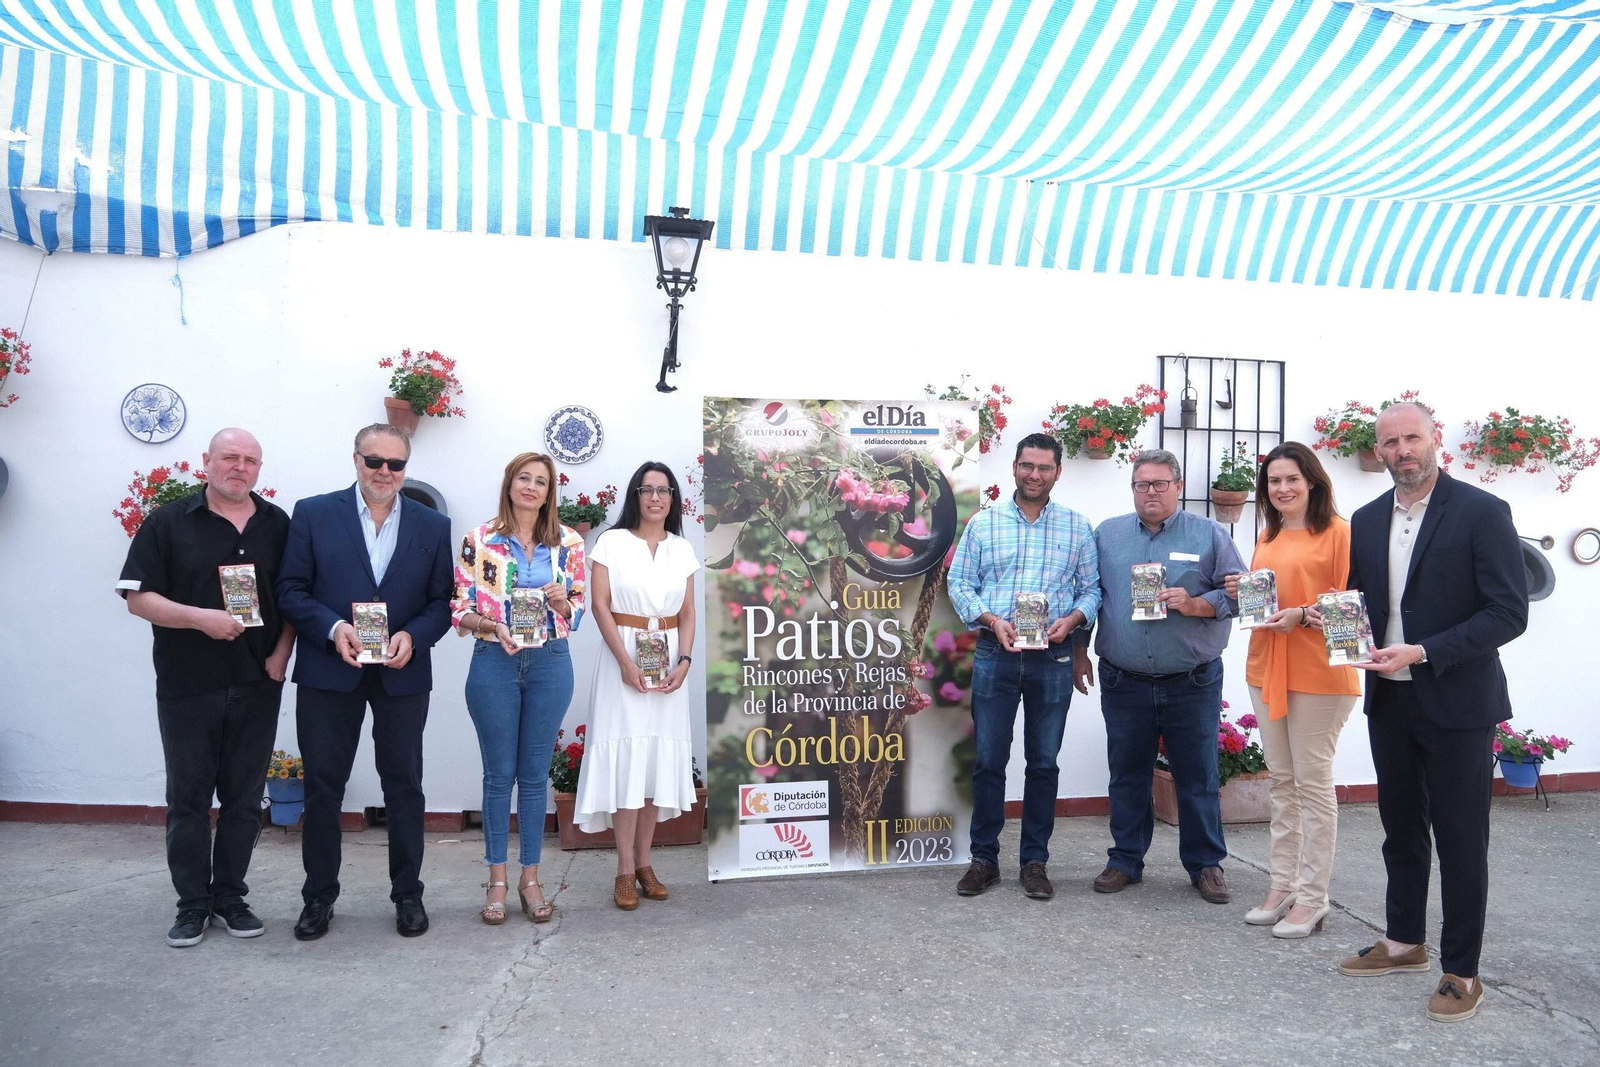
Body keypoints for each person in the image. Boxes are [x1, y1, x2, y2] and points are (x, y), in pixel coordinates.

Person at [1337, 402, 1527, 1024]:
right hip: (1390, 697)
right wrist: (1334, 621)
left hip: (1457, 700)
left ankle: (1462, 970)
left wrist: (1426, 651)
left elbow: (1507, 612)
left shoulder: (1481, 511)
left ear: (1435, 439)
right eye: (1389, 442)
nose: (1401, 450)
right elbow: (1365, 601)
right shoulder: (1366, 520)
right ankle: (1403, 941)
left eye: (1411, 437)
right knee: (1401, 828)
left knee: (1462, 837)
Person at [275, 424, 454, 941]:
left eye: (395, 465)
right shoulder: (313, 512)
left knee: (404, 786)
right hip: (330, 671)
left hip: (401, 673)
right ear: (356, 459)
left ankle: (407, 896)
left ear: (406, 468)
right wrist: (333, 629)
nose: (384, 472)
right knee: (323, 787)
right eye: (374, 461)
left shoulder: (430, 524)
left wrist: (414, 638)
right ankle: (318, 898)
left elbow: (442, 601)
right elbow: (290, 589)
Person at [116, 429, 293, 947]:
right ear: (207, 463)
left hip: (258, 682)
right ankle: (192, 905)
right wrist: (201, 619)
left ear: (259, 468)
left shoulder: (276, 525)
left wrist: (282, 655)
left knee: (243, 801)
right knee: (188, 800)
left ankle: (229, 898)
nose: (240, 467)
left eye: (250, 460)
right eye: (230, 458)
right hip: (187, 684)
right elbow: (137, 597)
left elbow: (293, 597)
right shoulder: (168, 522)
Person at [1073, 448, 1245, 903]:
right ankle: (1125, 860)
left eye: (1160, 484)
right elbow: (1089, 594)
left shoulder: (1209, 535)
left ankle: (1206, 864)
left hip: (1192, 679)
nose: (1151, 492)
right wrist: (1078, 652)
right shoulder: (1107, 536)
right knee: (1127, 774)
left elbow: (1243, 595)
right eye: (1142, 484)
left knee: (1199, 776)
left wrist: (1196, 604)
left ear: (1178, 486)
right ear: (1132, 488)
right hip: (1123, 678)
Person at [946, 432, 1100, 902]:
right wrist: (992, 620)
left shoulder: (1077, 527)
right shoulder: (984, 523)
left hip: (1051, 658)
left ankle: (1035, 862)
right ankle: (984, 860)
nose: (1035, 475)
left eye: (1045, 468)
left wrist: (1072, 621)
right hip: (997, 651)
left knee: (1044, 763)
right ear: (1014, 467)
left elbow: (1091, 589)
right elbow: (959, 582)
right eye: (1027, 466)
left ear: (1058, 472)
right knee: (990, 761)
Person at [1223, 442, 1360, 938]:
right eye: (1274, 481)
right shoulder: (1268, 535)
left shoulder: (1341, 533)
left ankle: (1313, 898)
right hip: (1268, 667)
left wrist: (1301, 616)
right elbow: (1268, 604)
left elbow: (1353, 613)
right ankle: (1281, 886)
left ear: (1313, 483)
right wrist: (1247, 593)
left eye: (1291, 480)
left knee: (1312, 784)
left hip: (1321, 673)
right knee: (1282, 782)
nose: (1282, 489)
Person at [452, 452, 585, 924]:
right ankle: (497, 880)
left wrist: (563, 602)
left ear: (551, 492)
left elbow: (580, 610)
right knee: (497, 776)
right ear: (510, 485)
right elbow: (458, 609)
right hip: (494, 661)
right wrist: (491, 624)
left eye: (542, 482)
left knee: (532, 777)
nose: (532, 488)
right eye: (524, 479)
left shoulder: (568, 541)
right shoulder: (479, 539)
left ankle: (531, 880)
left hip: (550, 662)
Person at [574, 462, 699, 911]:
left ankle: (646, 863)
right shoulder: (611, 541)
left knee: (652, 764)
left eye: (663, 490)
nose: (655, 498)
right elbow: (600, 605)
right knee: (626, 761)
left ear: (672, 499)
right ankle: (624, 868)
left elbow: (687, 612)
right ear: (636, 495)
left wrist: (685, 660)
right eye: (647, 489)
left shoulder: (682, 549)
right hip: (621, 660)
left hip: (667, 660)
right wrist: (624, 661)